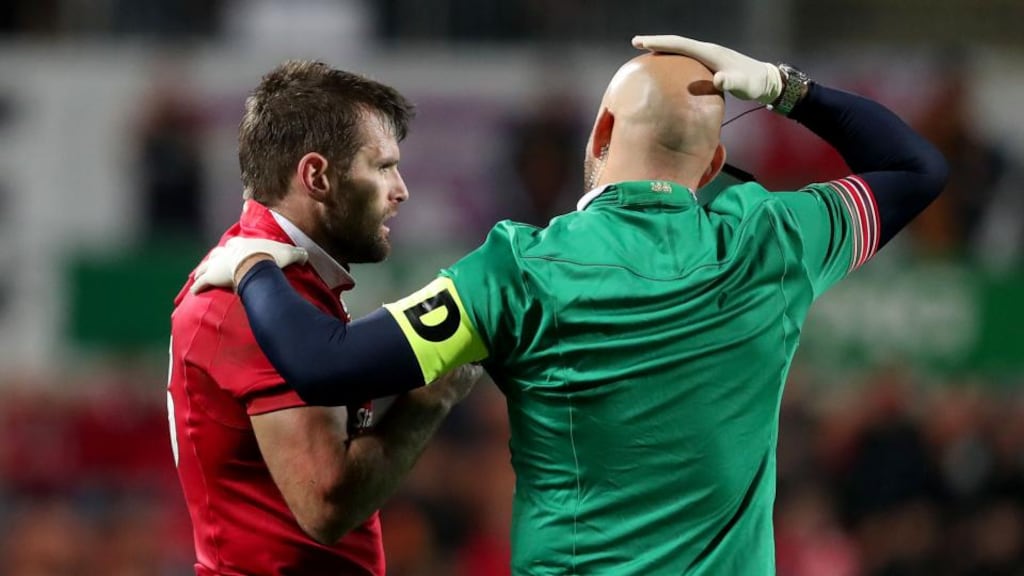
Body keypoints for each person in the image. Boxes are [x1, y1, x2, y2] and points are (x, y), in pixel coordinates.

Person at [193, 37, 948, 574]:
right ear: (715, 162)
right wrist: (786, 87)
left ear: (602, 131)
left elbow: (325, 366)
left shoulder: (518, 270)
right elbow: (916, 167)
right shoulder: (773, 241)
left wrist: (256, 263)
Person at [167, 60, 481, 576]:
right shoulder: (251, 302)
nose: (400, 190)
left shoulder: (281, 280)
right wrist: (430, 399)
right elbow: (325, 506)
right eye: (382, 167)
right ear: (316, 175)